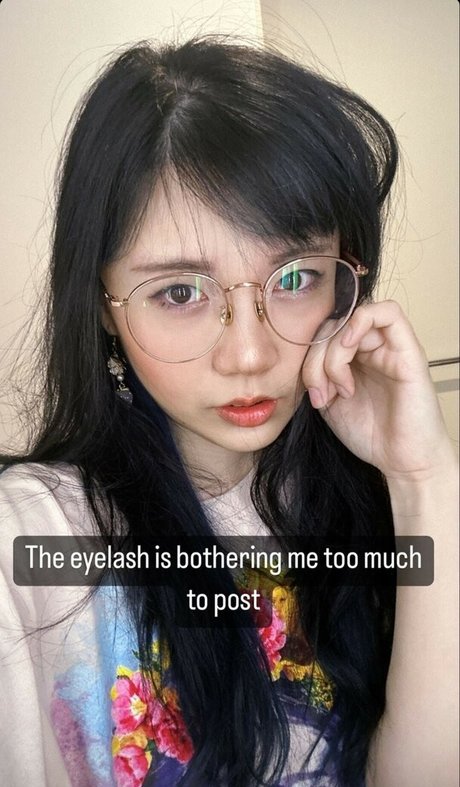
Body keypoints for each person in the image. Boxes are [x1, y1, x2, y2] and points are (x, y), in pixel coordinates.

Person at [0, 36, 457, 787]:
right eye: (180, 292)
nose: (248, 353)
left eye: (296, 277)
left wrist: (424, 479)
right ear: (104, 305)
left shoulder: (362, 500)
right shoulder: (33, 542)